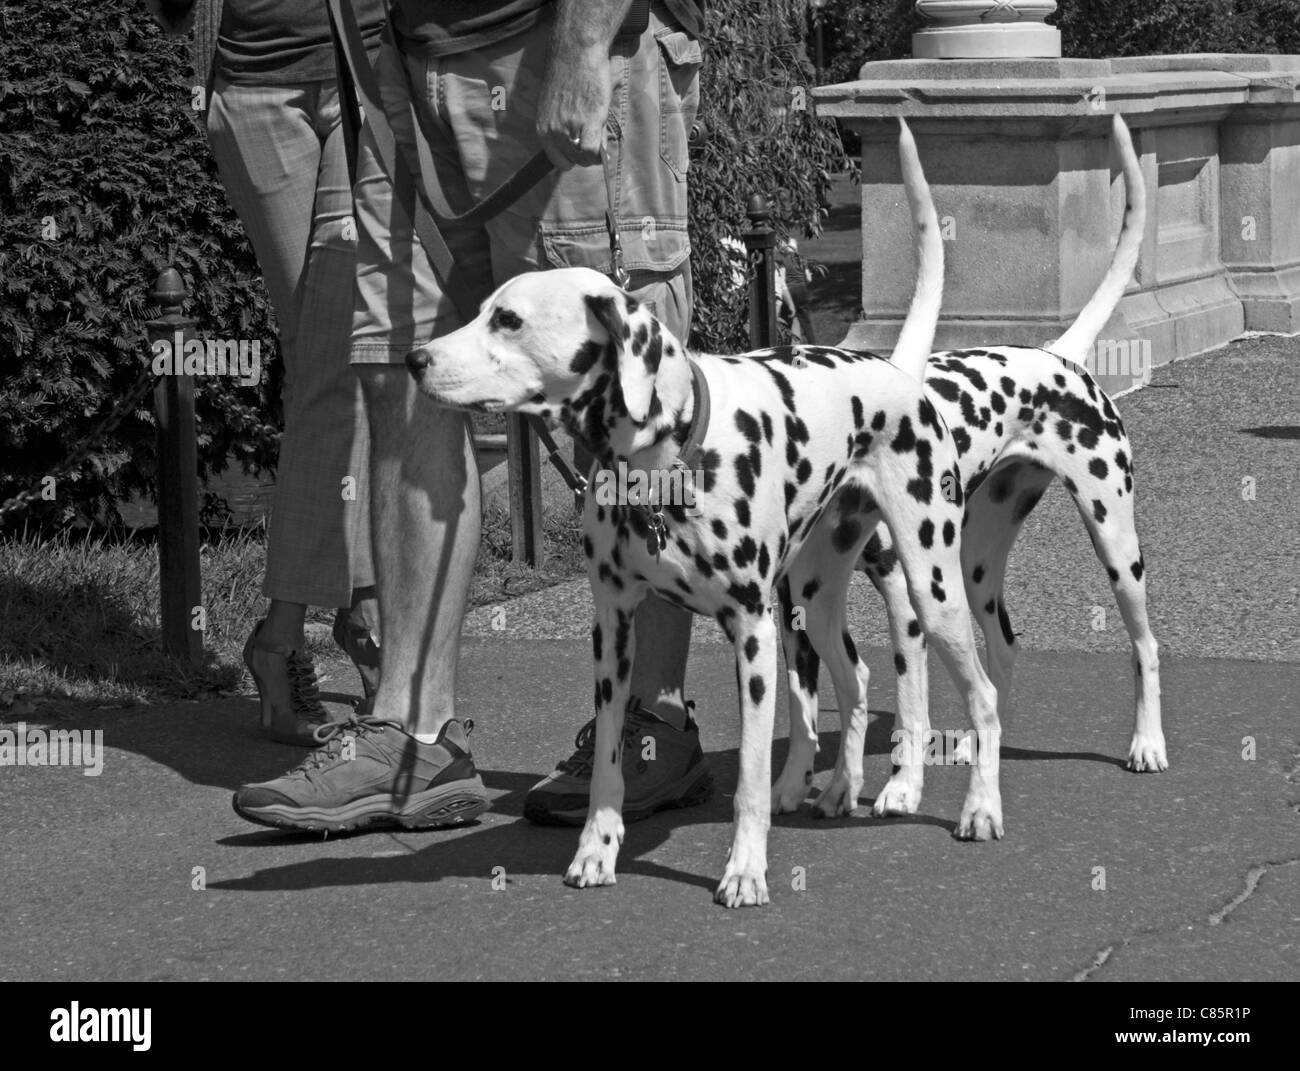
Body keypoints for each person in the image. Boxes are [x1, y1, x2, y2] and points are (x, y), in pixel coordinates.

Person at [232, 0, 714, 832]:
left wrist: (584, 42)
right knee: (406, 375)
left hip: (559, 45)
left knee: (627, 391)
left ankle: (651, 719)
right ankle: (411, 734)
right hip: (407, 72)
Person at [147, 0, 387, 745]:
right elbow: (169, 16)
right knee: (328, 362)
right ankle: (354, 615)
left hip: (367, 76)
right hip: (256, 90)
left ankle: (300, 629)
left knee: (349, 355)